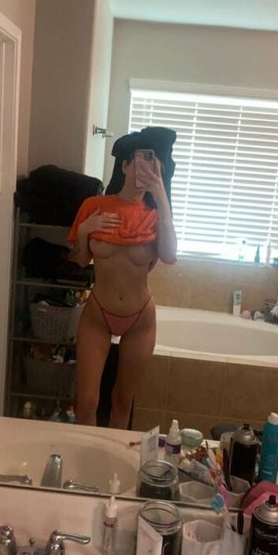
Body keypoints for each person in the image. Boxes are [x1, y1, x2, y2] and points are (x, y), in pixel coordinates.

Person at [68, 137, 177, 428]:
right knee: (86, 402)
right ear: (125, 165)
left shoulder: (156, 216)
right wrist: (85, 230)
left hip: (140, 317)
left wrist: (161, 194)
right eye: (141, 162)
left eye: (154, 167)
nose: (146, 170)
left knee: (122, 402)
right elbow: (80, 260)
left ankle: (112, 455)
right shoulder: (95, 206)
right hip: (98, 313)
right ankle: (84, 454)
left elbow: (169, 256)